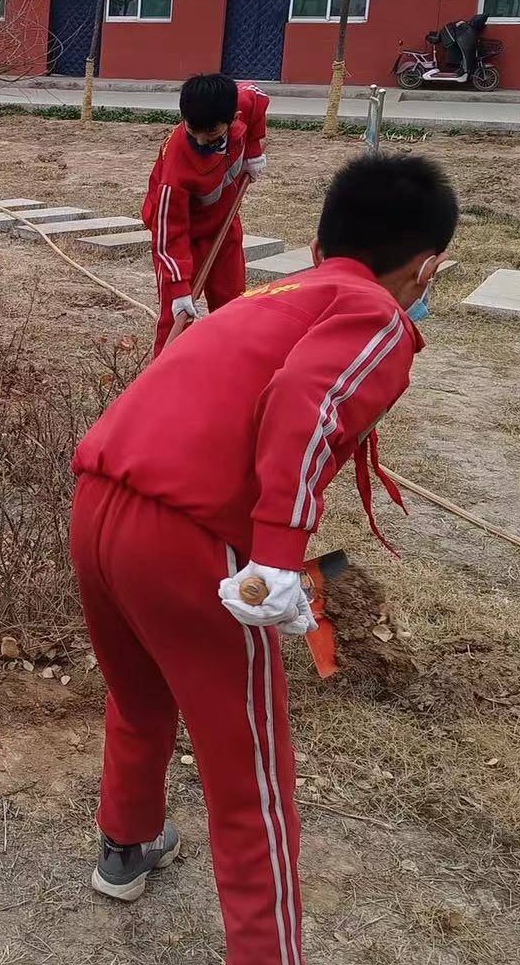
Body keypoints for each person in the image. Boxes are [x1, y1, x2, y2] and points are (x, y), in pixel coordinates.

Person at [69, 153, 458, 965]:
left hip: (99, 501)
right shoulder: (375, 314)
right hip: (184, 537)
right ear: (427, 265)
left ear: (320, 246)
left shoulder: (278, 293)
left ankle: (126, 848)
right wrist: (279, 557)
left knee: (139, 694)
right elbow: (308, 401)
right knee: (253, 779)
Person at [143, 73, 269, 353]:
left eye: (211, 132)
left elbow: (258, 98)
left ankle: (228, 362)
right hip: (185, 236)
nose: (200, 140)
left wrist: (253, 148)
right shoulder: (176, 170)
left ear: (233, 118)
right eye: (193, 130)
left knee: (232, 301)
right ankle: (162, 379)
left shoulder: (242, 105)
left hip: (225, 223)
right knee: (176, 317)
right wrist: (178, 288)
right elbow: (168, 233)